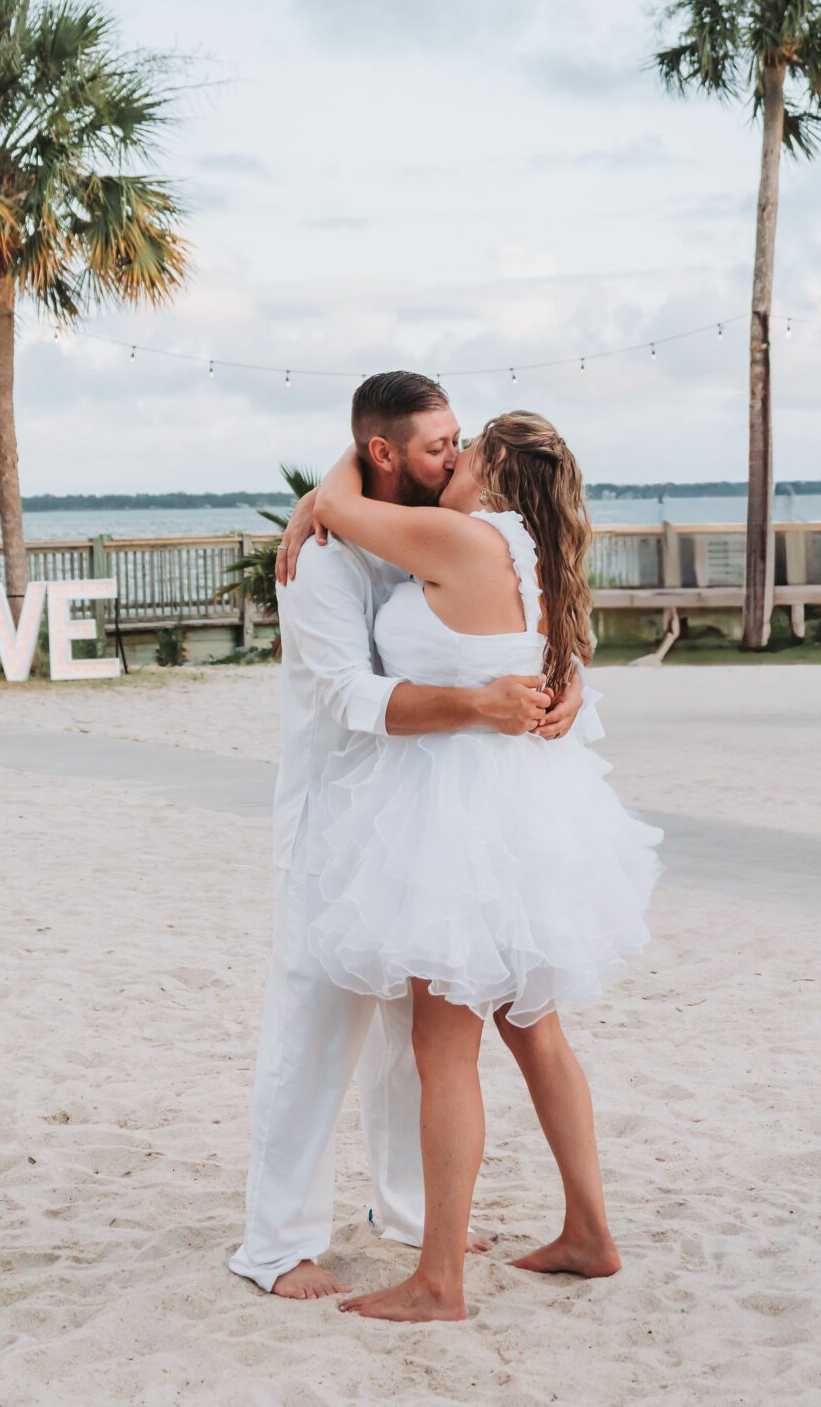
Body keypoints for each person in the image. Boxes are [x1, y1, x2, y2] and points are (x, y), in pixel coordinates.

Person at [228, 373, 595, 1299]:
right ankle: (278, 1244)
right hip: (338, 809)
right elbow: (348, 698)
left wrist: (559, 681)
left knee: (416, 1040)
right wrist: (325, 496)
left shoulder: (430, 531)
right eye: (437, 444)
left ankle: (412, 1217)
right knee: (315, 1025)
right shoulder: (326, 560)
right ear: (382, 452)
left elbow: (519, 637)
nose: (451, 455)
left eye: (462, 443)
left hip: (433, 822)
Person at [301, 409, 663, 1321]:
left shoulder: (460, 538)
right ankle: (590, 1234)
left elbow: (339, 510)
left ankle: (438, 1282)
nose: (453, 458)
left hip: (456, 821)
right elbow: (561, 666)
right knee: (534, 1029)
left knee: (443, 1047)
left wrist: (355, 450)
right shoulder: (542, 559)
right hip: (527, 820)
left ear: (497, 470)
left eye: (470, 448)